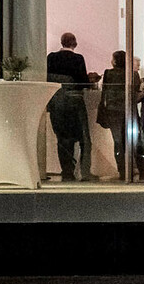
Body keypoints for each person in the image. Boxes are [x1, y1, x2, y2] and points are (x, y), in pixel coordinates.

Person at [45, 33, 92, 182]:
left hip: (56, 101)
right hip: (74, 101)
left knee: (62, 137)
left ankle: (66, 170)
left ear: (61, 42)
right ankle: (83, 172)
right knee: (82, 137)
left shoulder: (51, 57)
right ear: (75, 44)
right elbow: (82, 81)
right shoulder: (78, 59)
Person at [98, 50, 139, 180]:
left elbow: (104, 92)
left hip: (113, 110)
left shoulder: (108, 73)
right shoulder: (133, 74)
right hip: (128, 111)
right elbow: (136, 93)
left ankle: (122, 170)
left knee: (118, 141)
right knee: (130, 141)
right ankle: (131, 169)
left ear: (115, 61)